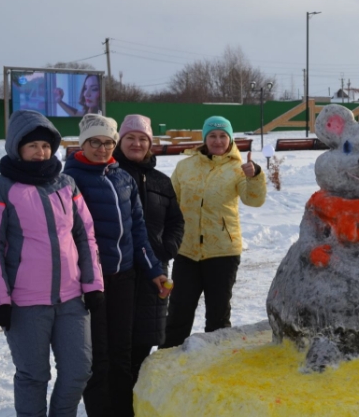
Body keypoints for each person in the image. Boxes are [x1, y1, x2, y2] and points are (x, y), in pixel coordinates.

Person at [0, 110, 104, 417]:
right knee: (34, 376)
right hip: (24, 303)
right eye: (32, 145)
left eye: (45, 146)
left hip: (72, 299)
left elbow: (85, 236)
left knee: (78, 372)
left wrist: (94, 284)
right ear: (17, 147)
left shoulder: (67, 184)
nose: (40, 152)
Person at [63, 113, 166, 417]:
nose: (103, 148)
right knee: (98, 358)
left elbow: (138, 233)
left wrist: (154, 270)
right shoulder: (69, 180)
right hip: (88, 282)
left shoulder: (122, 178)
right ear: (83, 143)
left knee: (122, 352)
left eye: (108, 142)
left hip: (124, 278)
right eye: (96, 142)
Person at [160, 116, 267, 349]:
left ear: (230, 139)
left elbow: (254, 200)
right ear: (204, 139)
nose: (217, 141)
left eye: (222, 136)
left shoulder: (238, 168)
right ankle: (167, 366)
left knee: (218, 316)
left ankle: (218, 366)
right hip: (186, 250)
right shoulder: (185, 166)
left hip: (223, 251)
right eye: (212, 136)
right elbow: (172, 202)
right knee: (178, 313)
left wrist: (255, 175)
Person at [113, 114, 184, 384]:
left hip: (154, 271)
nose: (136, 143)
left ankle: (136, 400)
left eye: (143, 139)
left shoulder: (161, 181)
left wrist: (168, 248)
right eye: (130, 137)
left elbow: (176, 220)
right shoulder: (110, 174)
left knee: (145, 340)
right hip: (120, 270)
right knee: (118, 341)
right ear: (120, 141)